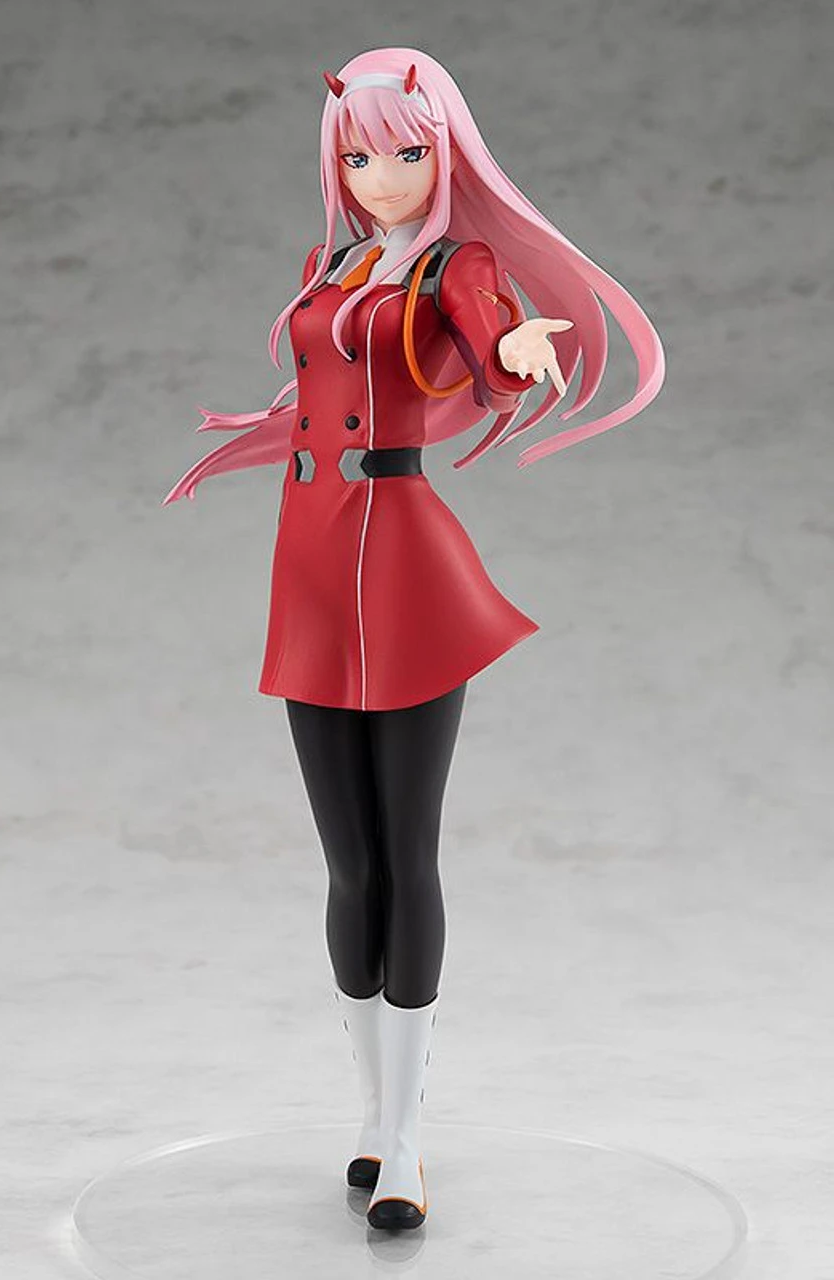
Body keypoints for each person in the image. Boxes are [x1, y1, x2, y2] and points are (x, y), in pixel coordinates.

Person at [163, 46, 665, 1231]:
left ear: (444, 153)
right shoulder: (329, 265)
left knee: (407, 849)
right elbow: (316, 393)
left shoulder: (457, 264)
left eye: (403, 152)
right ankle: (367, 1112)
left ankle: (404, 1142)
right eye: (357, 156)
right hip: (307, 560)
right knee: (348, 863)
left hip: (401, 556)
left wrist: (518, 355)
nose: (380, 176)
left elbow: (488, 352)